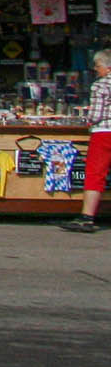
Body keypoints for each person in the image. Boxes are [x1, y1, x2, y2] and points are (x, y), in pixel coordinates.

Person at [61, 47, 111, 233]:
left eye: (98, 66)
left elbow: (96, 115)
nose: (95, 69)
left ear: (108, 68)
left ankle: (87, 217)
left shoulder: (100, 85)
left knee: (95, 174)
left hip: (104, 133)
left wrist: (86, 120)